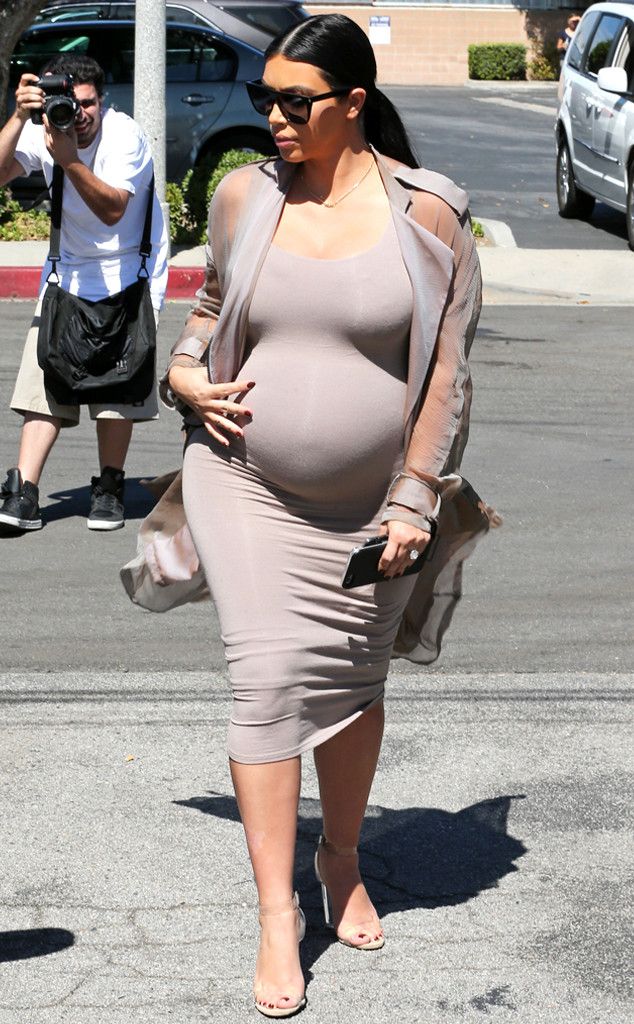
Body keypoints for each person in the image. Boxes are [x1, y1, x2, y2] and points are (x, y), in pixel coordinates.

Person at [160, 13, 491, 1017]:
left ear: (353, 103)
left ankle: (339, 858)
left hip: (371, 505)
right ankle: (277, 913)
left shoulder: (430, 216)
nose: (273, 116)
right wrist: (184, 373)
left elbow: (446, 379)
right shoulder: (244, 195)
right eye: (265, 97)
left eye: (294, 101)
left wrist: (415, 497)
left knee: (349, 684)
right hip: (242, 480)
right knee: (267, 681)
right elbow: (210, 311)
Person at [0, 55, 168, 533]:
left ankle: (109, 486)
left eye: (87, 103)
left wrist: (68, 159)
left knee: (118, 388)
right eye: (68, 104)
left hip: (129, 274)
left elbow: (113, 211)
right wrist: (18, 117)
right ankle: (25, 491)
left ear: (101, 100)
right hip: (67, 274)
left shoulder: (124, 135)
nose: (78, 115)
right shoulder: (46, 129)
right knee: (43, 380)